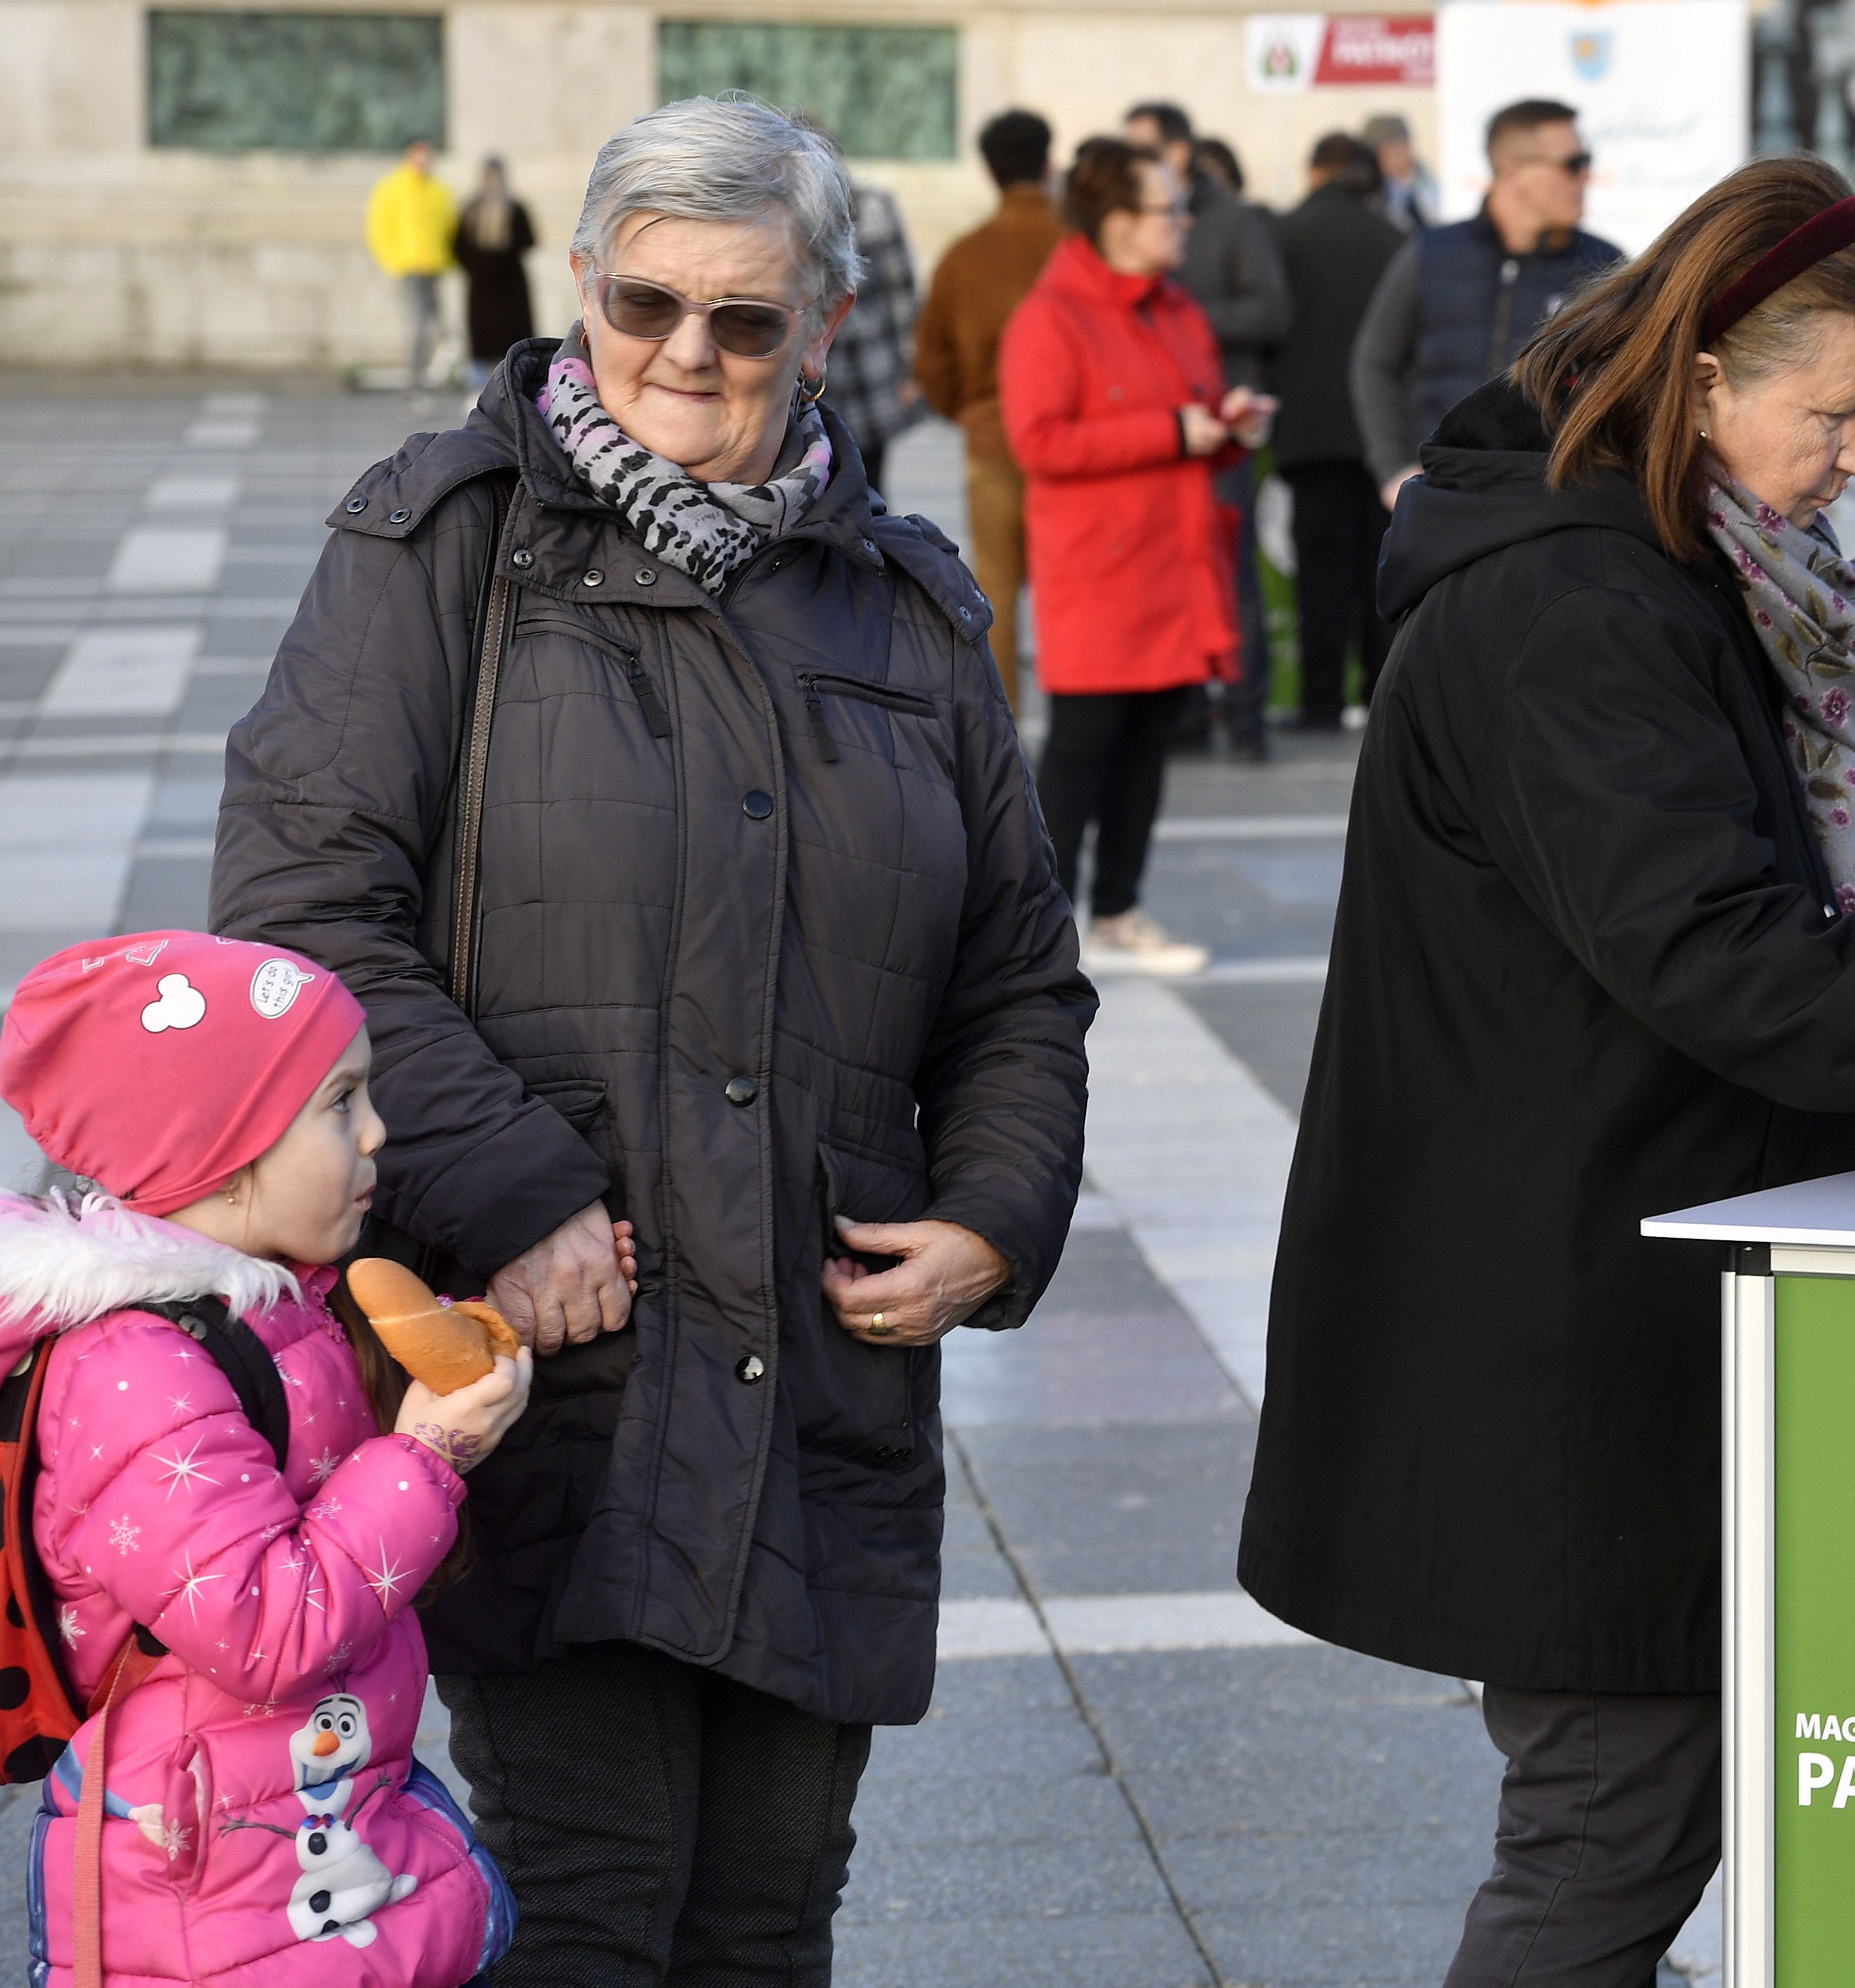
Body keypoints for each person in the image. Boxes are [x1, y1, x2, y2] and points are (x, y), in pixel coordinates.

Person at [1239, 157, 1855, 1988]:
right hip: (1571, 1332)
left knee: (1637, 1822)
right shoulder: (1580, 605)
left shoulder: (1677, 569)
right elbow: (1705, 949)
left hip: (1623, 1291)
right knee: (1611, 1833)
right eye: (1835, 411)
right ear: (1700, 379)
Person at [215, 93, 1094, 1985]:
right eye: (645, 305)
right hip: (555, 1378)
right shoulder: (441, 543)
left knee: (769, 1927)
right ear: (583, 294)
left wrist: (998, 1212)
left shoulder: (910, 601)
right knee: (593, 1918)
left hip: (825, 1378)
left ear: (827, 325)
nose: (688, 352)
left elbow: (1018, 976)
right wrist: (509, 1186)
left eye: (745, 318)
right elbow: (303, 911)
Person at [0, 934, 533, 1986]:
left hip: (297, 1848)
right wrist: (432, 1450)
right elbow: (264, 1625)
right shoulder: (136, 1366)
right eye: (341, 1103)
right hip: (213, 1907)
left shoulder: (277, 1310)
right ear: (222, 1145)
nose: (379, 1131)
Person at [1004, 136, 1273, 975]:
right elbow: (1039, 441)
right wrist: (1168, 433)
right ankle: (1033, 932)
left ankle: (1118, 908)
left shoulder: (1178, 309)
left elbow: (1192, 422)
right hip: (1101, 571)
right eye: (1168, 208)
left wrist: (1228, 431)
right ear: (1118, 222)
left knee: (1152, 743)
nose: (1184, 221)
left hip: (1176, 563)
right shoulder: (1051, 317)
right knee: (1081, 752)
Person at [1353, 98, 1620, 509]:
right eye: (1572, 163)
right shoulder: (1430, 254)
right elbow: (1376, 361)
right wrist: (1393, 470)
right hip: (1445, 498)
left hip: (1558, 507)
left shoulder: (1606, 267)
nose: (1586, 176)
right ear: (1514, 171)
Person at [1128, 102, 1292, 762]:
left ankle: (1246, 719)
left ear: (1178, 153)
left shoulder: (1232, 222)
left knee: (1233, 574)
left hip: (1221, 421)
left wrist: (1182, 319)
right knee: (1170, 567)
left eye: (1141, 148)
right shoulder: (1132, 228)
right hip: (1162, 428)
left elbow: (1272, 307)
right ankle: (1188, 715)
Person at [919, 106, 1060, 705]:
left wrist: (972, 412)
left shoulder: (964, 256)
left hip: (992, 436)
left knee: (996, 589)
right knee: (1069, 586)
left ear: (988, 171)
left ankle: (1008, 734)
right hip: (1071, 439)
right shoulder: (1076, 244)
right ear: (1050, 163)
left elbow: (931, 363)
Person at [1275, 132, 1413, 727]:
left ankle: (1320, 699)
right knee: (1379, 568)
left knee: (1320, 571)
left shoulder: (1287, 233)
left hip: (1308, 429)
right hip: (1380, 433)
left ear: (1316, 171)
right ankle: (1382, 695)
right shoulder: (1395, 239)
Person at [821, 173, 926, 501]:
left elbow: (902, 290)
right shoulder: (773, 203)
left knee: (868, 485)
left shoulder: (871, 206)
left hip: (866, 371)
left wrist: (912, 368)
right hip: (808, 374)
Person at [366, 138, 458, 392]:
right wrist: (394, 260)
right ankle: (416, 374)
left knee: (437, 321)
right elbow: (380, 228)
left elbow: (450, 227)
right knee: (420, 323)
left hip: (434, 265)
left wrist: (448, 259)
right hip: (409, 265)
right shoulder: (393, 187)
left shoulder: (438, 190)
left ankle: (437, 369)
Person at [455, 154, 537, 388]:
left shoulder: (471, 210)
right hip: (510, 283)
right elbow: (530, 241)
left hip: (482, 284)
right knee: (510, 342)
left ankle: (479, 389)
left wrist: (477, 266)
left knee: (483, 341)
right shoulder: (514, 208)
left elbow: (457, 248)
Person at [1367, 110, 1438, 232]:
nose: (1383, 157)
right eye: (1378, 151)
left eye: (1394, 149)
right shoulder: (1364, 185)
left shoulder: (1423, 184)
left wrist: (1404, 181)